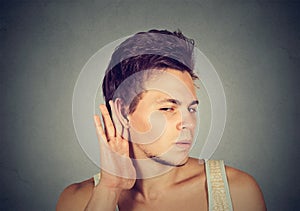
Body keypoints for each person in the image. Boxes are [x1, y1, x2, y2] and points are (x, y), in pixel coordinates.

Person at [56, 29, 266, 211]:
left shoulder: (237, 192)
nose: (188, 123)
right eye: (167, 108)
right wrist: (109, 189)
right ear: (122, 112)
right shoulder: (77, 200)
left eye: (191, 108)